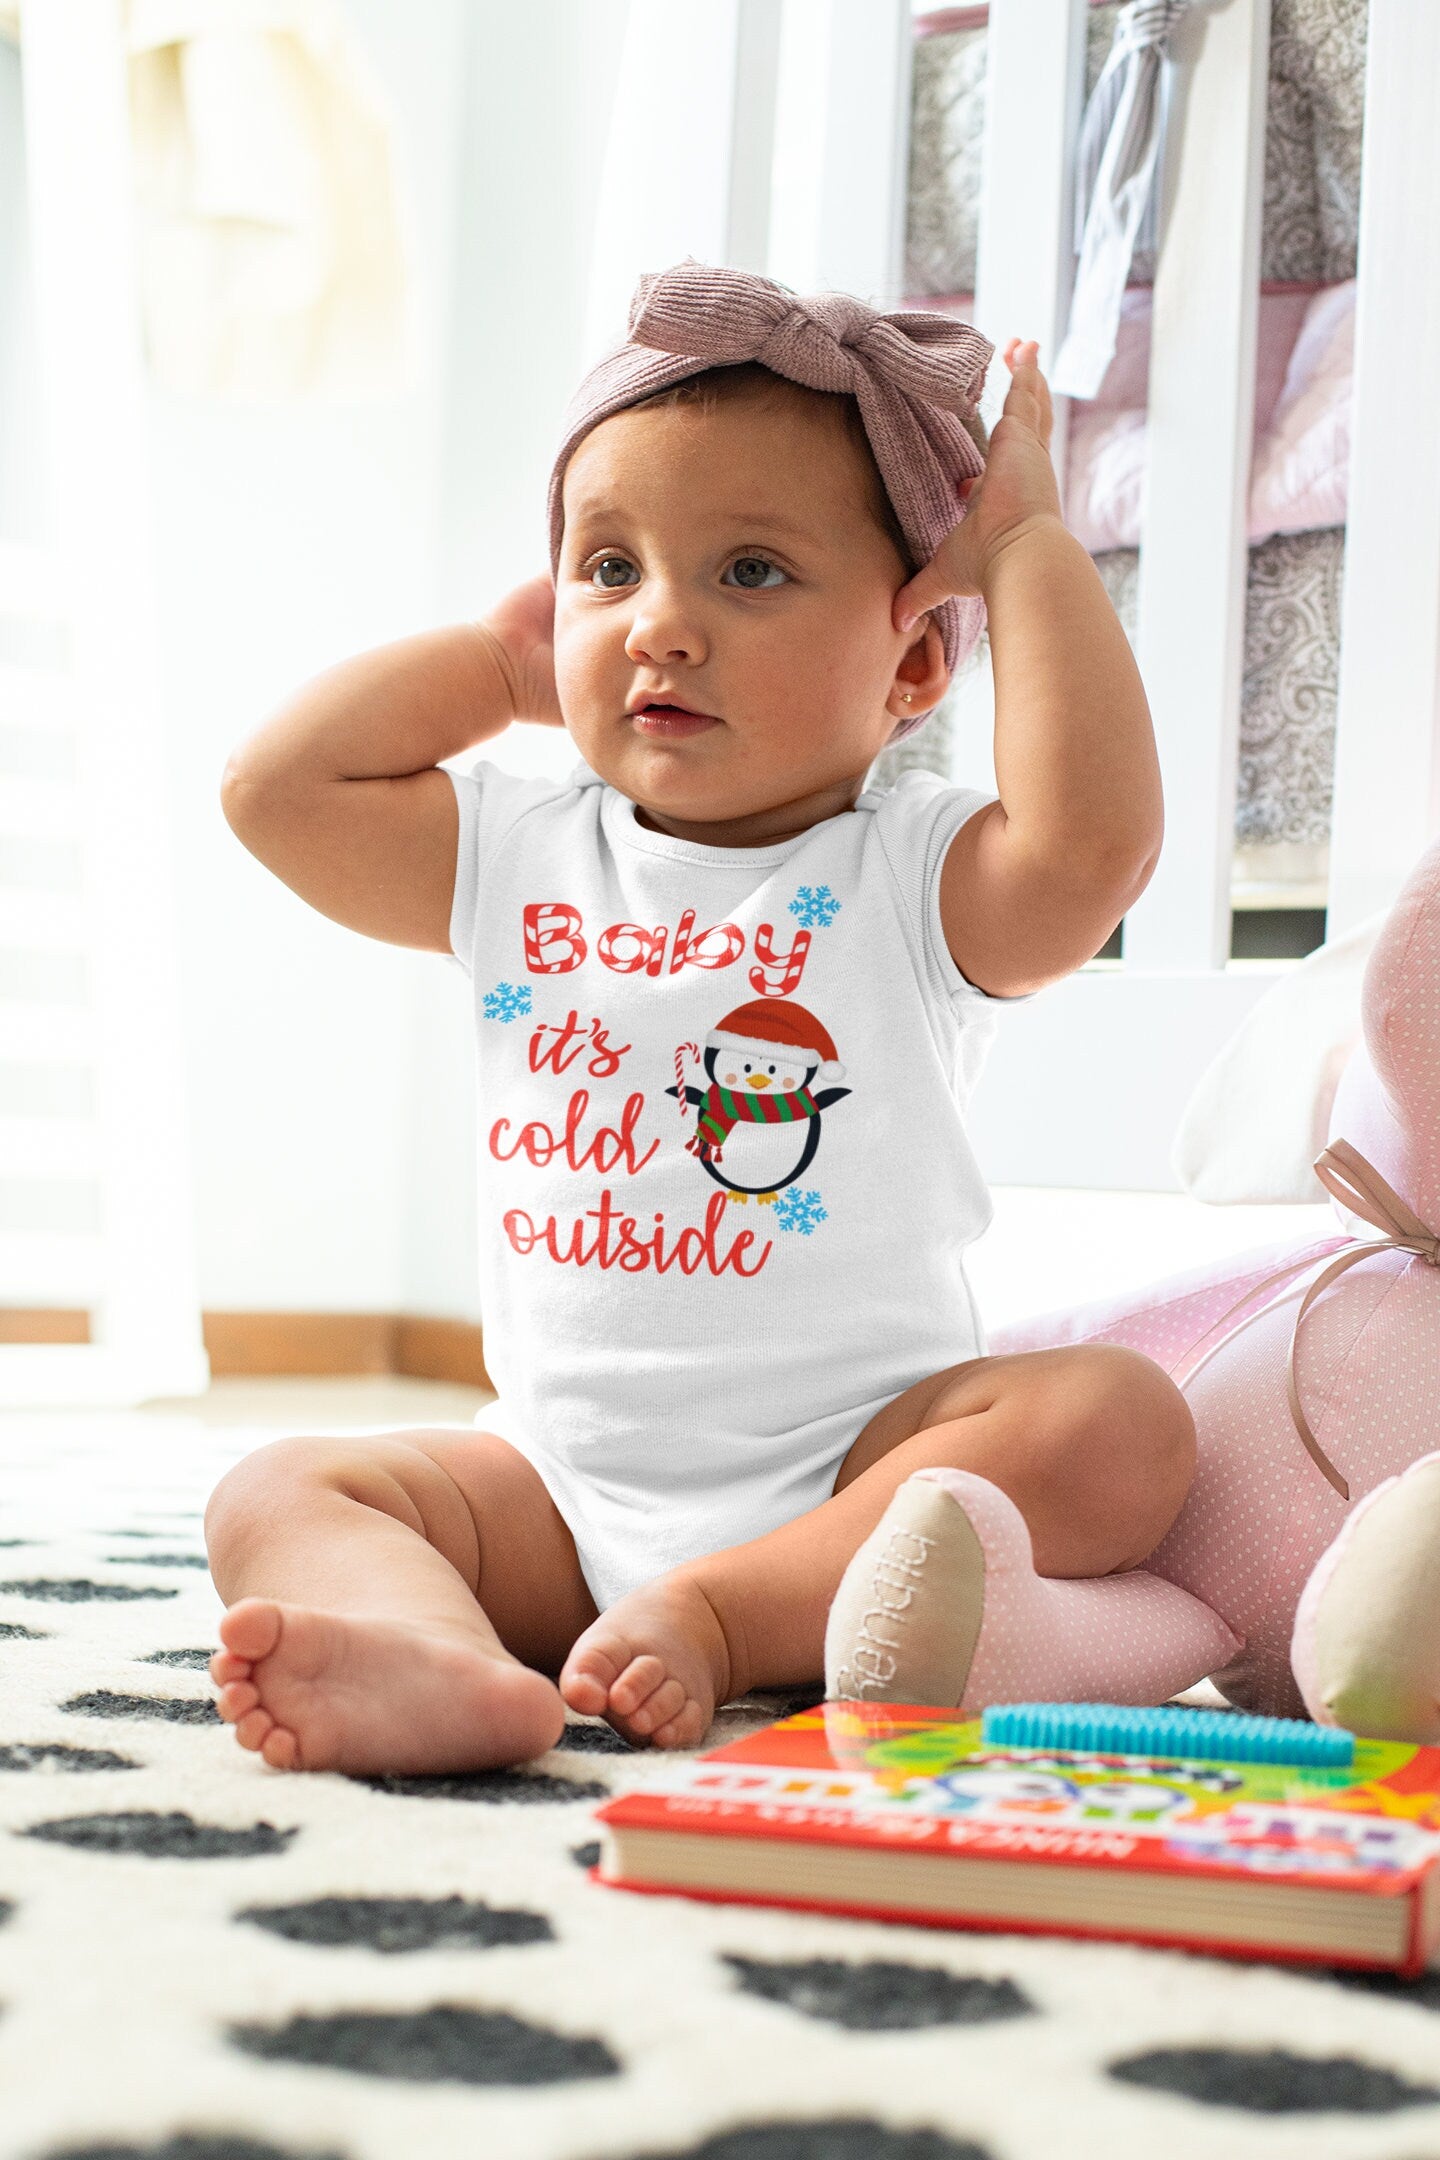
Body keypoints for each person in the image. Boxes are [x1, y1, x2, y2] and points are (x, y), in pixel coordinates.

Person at [206, 260, 1214, 1777]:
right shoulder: (517, 852)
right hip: (552, 1491)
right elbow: (273, 792)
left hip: (859, 1483)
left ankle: (732, 1616)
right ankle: (439, 1657)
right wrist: (498, 664)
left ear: (913, 663)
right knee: (276, 1491)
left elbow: (1093, 848)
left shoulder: (910, 878)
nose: (660, 626)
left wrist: (1023, 547)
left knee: (1120, 1426)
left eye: (750, 572)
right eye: (610, 569)